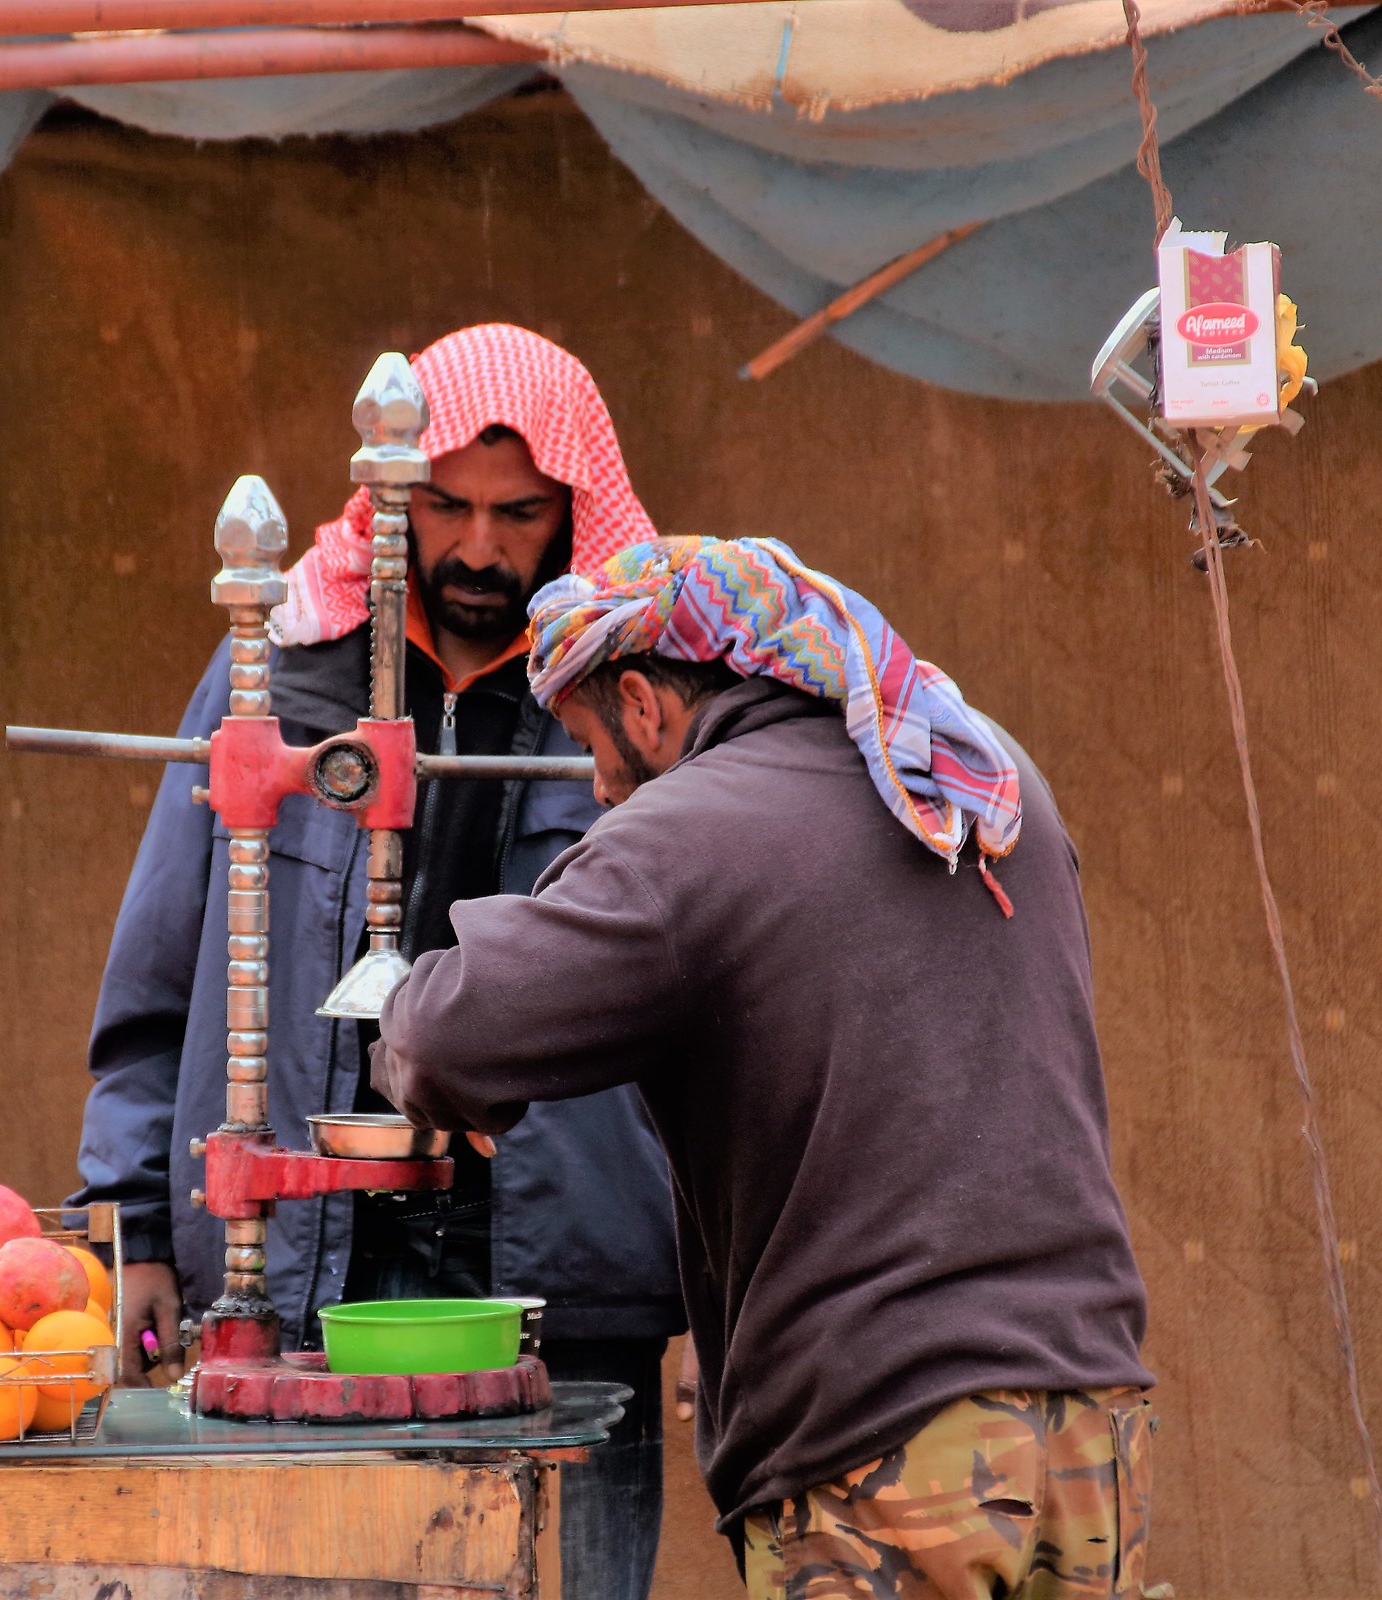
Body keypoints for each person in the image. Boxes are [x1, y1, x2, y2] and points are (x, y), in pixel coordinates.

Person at [373, 537, 1157, 1600]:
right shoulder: (979, 768)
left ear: (643, 703)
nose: (602, 785)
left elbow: (446, 1032)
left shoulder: (692, 829)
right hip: (1091, 1413)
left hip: (887, 1431)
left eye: (589, 741)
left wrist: (415, 1022)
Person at [75, 325, 682, 1600]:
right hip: (305, 1267)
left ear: (575, 510)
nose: (477, 549)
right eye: (446, 506)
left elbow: (719, 1007)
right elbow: (164, 973)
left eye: (519, 514)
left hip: (568, 1277)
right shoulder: (276, 673)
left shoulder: (645, 694)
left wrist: (711, 1288)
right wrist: (126, 1220)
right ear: (386, 501)